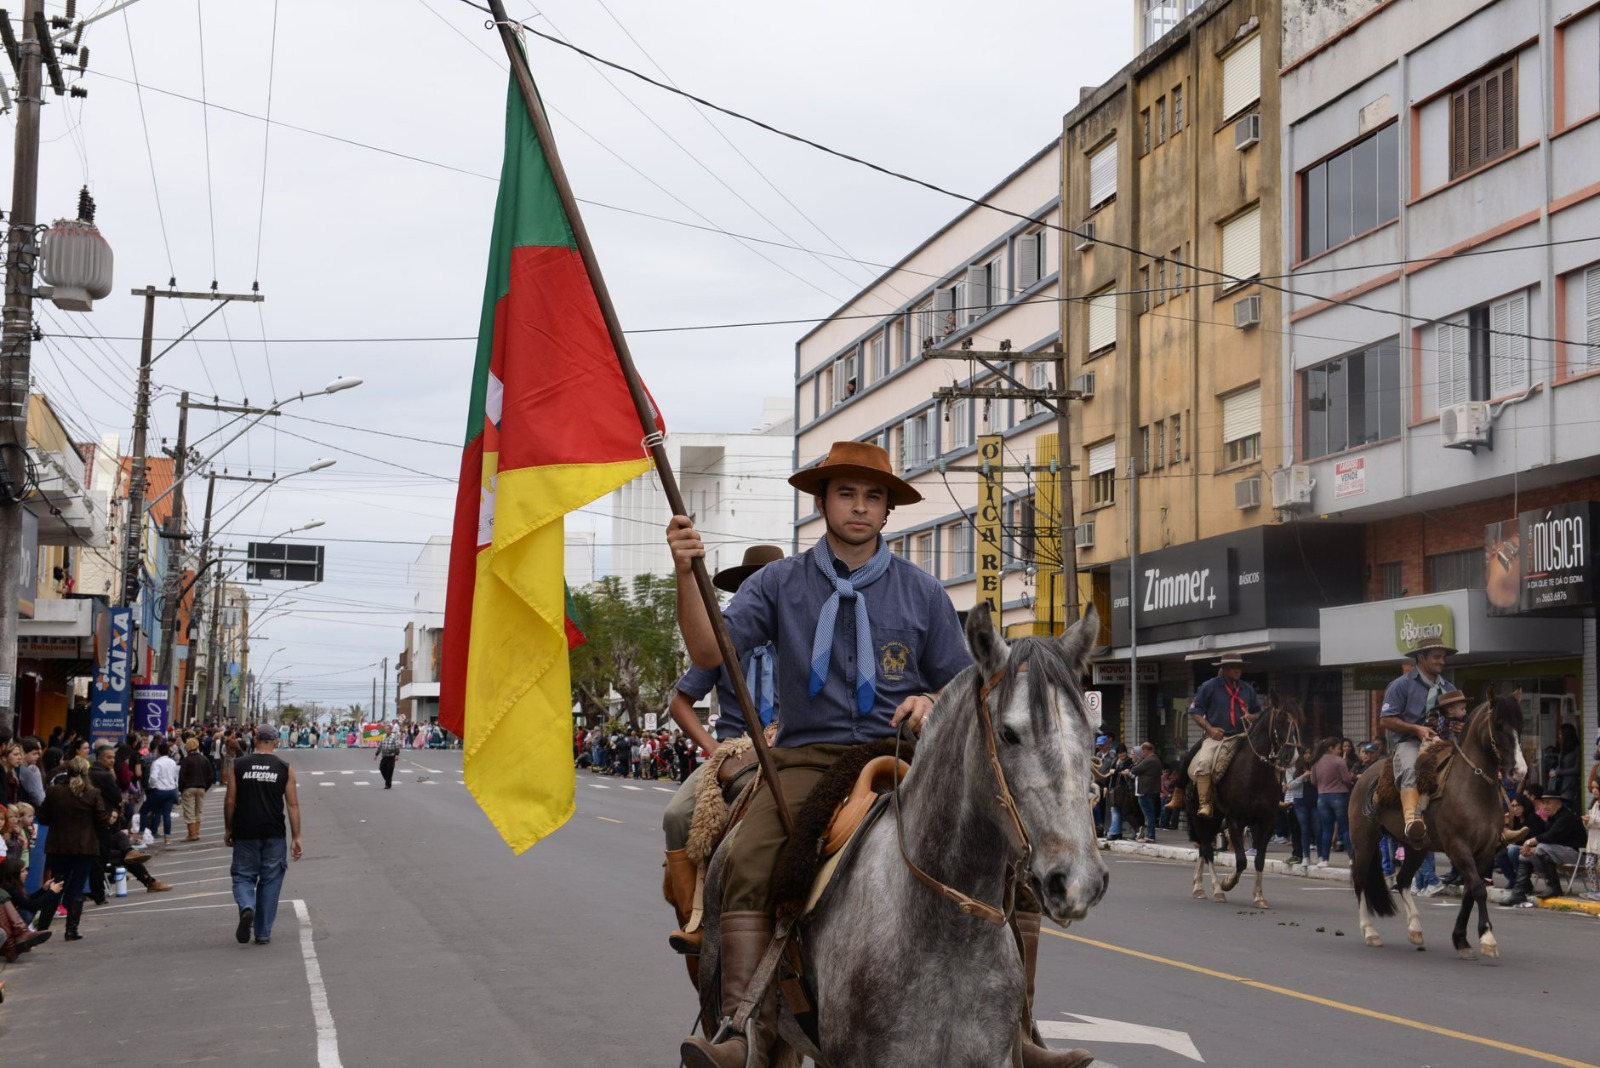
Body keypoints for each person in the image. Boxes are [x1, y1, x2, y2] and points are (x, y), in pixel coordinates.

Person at [669, 441, 1078, 1068]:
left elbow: (967, 684)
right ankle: (740, 1029)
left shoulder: (922, 592)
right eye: (847, 494)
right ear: (822, 502)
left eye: (874, 496)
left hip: (912, 753)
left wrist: (929, 701)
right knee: (746, 857)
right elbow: (706, 653)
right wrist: (684, 572)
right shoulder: (779, 583)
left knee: (1014, 868)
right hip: (810, 756)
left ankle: (1019, 1031)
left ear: (887, 510)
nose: (860, 507)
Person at [661, 544, 783, 955]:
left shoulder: (805, 632)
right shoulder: (722, 639)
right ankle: (692, 918)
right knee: (677, 814)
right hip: (733, 750)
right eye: (753, 586)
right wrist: (714, 747)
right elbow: (679, 702)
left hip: (793, 744)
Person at [225, 726, 303, 945]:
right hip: (274, 831)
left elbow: (230, 800)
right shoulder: (285, 768)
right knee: (270, 881)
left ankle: (247, 906)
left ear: (255, 740)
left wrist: (229, 828)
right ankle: (263, 933)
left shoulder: (238, 765)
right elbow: (293, 804)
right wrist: (297, 837)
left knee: (242, 875)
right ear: (276, 742)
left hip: (245, 830)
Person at [1379, 636, 1455, 843]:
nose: (1442, 661)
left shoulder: (1449, 687)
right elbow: (1386, 720)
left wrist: (1459, 724)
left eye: (1443, 657)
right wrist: (1416, 729)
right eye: (1437, 657)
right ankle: (1412, 819)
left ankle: (1497, 827)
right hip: (1411, 742)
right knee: (1412, 767)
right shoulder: (1401, 685)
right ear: (1421, 657)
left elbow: (1457, 715)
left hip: (1445, 742)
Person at [1176, 653, 1261, 818]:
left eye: (1240, 667)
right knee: (1204, 762)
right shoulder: (1209, 686)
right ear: (1225, 668)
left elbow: (1258, 713)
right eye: (1234, 667)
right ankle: (1205, 803)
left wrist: (1251, 717)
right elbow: (1195, 711)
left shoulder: (1247, 688)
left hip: (1243, 735)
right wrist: (1210, 729)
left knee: (1266, 758)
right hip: (1218, 737)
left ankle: (1269, 798)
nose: (1238, 670)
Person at [36, 757, 109, 941]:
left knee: (56, 884)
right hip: (85, 846)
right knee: (77, 887)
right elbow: (102, 821)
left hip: (59, 845)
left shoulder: (54, 792)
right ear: (86, 773)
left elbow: (43, 816)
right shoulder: (92, 793)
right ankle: (71, 929)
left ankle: (42, 928)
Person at [1506, 790, 1585, 906]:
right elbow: (1550, 841)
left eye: (1548, 803)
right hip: (1558, 853)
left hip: (1577, 855)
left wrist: (1528, 842)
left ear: (1558, 804)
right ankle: (1519, 892)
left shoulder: (1566, 817)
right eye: (1543, 803)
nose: (1545, 806)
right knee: (1524, 855)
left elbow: (1550, 836)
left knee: (1541, 848)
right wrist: (1531, 849)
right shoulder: (1552, 818)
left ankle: (1554, 886)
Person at [1309, 738, 1354, 867]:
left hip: (1322, 797)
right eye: (1338, 748)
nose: (1340, 751)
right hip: (1339, 795)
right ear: (1331, 748)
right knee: (1344, 828)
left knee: (1326, 830)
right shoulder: (1339, 761)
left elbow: (1313, 781)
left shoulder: (1316, 762)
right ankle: (1351, 857)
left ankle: (1324, 859)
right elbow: (1346, 779)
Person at [139, 741, 180, 845]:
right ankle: (168, 838)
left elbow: (153, 777)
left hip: (159, 790)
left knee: (144, 811)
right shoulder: (172, 762)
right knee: (166, 814)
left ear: (158, 752)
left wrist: (153, 786)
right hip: (171, 790)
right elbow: (175, 776)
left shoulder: (157, 763)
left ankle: (141, 834)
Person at [178, 737, 214, 841]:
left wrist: (182, 789)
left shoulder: (186, 760)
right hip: (201, 788)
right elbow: (210, 776)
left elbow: (182, 777)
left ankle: (192, 834)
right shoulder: (204, 759)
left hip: (189, 788)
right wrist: (205, 787)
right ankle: (197, 832)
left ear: (188, 748)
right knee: (198, 811)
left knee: (189, 811)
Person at [1128, 741, 1162, 843]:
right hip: (1151, 790)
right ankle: (1149, 834)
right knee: (1149, 813)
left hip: (1146, 790)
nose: (1142, 753)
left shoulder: (1149, 760)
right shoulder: (1156, 759)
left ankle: (1150, 836)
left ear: (1147, 750)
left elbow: (1135, 769)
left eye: (1143, 750)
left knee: (1149, 814)